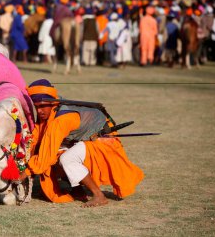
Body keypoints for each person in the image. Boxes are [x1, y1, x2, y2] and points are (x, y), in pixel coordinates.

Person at [17, 79, 144, 207]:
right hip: (86, 139)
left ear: (52, 103)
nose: (39, 111)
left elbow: (46, 156)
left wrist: (25, 172)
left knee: (66, 159)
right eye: (36, 106)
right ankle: (77, 190)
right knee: (57, 153)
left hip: (104, 141)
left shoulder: (61, 120)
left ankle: (99, 196)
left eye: (43, 106)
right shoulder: (51, 111)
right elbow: (37, 139)